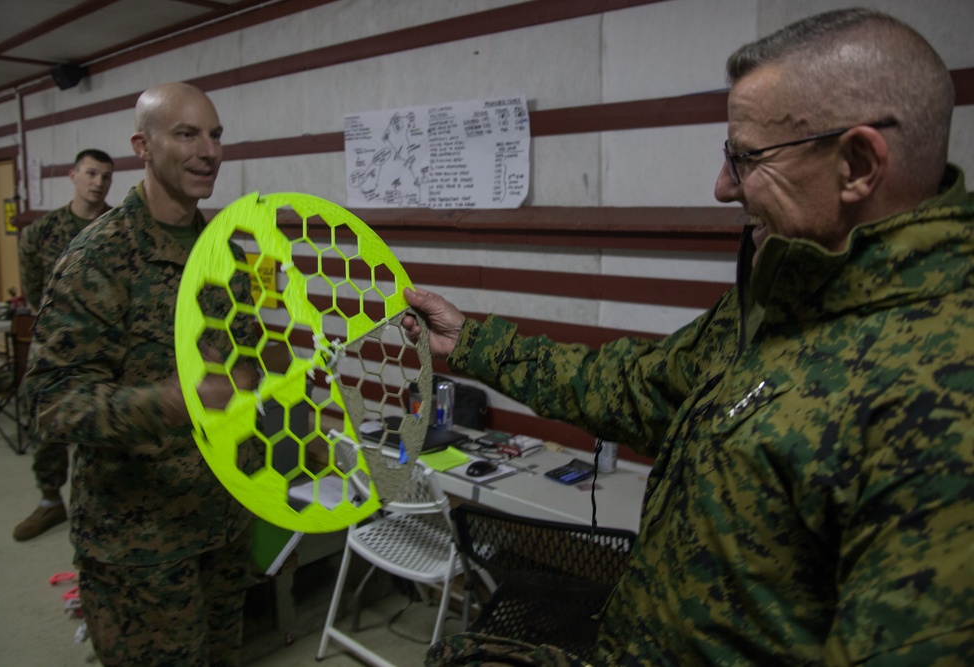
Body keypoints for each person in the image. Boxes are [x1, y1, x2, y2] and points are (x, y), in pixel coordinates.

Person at [408, 8, 974, 665]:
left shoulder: (943, 387)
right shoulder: (782, 302)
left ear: (856, 163)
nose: (722, 185)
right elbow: (638, 385)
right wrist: (473, 343)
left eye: (746, 157)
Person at [23, 82, 259, 666]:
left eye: (216, 134)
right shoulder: (97, 257)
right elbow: (51, 402)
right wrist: (169, 402)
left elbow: (243, 364)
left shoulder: (224, 253)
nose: (209, 151)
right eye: (186, 134)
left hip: (223, 524)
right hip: (140, 549)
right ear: (143, 146)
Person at [13, 148, 114, 542]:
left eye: (105, 176)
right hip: (57, 346)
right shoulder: (43, 231)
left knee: (106, 428)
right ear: (73, 175)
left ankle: (103, 511)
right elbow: (31, 281)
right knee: (49, 425)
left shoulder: (117, 226)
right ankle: (49, 501)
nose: (98, 182)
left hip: (106, 346)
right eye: (91, 173)